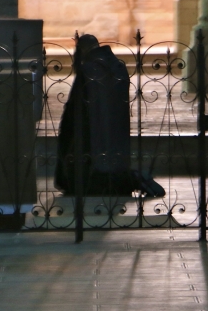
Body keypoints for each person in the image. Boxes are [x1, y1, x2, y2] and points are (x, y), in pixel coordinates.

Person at [55, 34, 164, 197]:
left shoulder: (88, 70)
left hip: (91, 129)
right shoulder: (117, 66)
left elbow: (74, 108)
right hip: (115, 129)